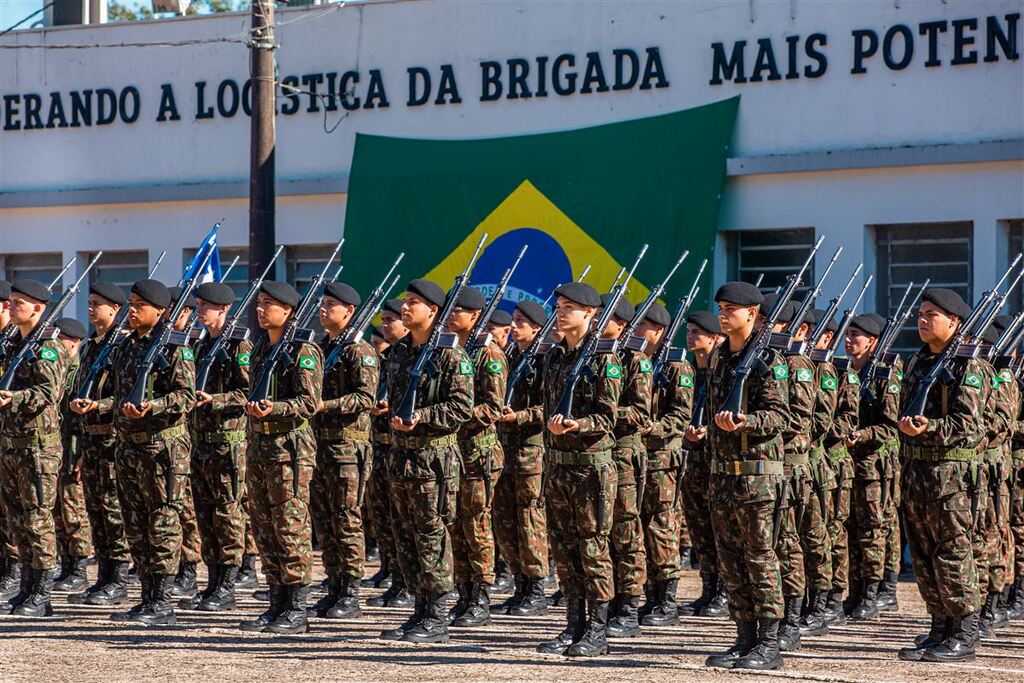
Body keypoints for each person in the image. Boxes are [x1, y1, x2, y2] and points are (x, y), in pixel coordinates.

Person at [689, 282, 788, 671]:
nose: (724, 313)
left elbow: (783, 417)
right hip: (722, 478)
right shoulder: (719, 358)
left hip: (757, 479)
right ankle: (744, 637)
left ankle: (768, 642)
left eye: (732, 308)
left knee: (761, 560)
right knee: (731, 561)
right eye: (721, 307)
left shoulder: (770, 359)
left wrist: (746, 422)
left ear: (752, 314)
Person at [376, 279, 474, 644]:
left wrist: (422, 415)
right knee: (405, 535)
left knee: (432, 534)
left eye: (414, 302)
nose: (405, 307)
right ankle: (418, 610)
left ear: (433, 311)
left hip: (434, 457)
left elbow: (461, 407)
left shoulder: (451, 355)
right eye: (405, 300)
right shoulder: (398, 351)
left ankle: (436, 616)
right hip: (401, 454)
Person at [896, 288, 987, 662]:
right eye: (920, 313)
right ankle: (939, 627)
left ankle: (964, 630)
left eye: (931, 314)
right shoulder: (917, 362)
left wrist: (928, 428)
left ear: (954, 321)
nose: (922, 319)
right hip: (917, 472)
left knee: (952, 553)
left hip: (951, 477)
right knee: (924, 554)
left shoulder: (970, 366)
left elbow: (970, 425)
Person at [537, 282, 621, 657]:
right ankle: (573, 625)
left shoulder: (605, 358)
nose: (561, 312)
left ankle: (598, 630)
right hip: (559, 468)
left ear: (590, 314)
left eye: (569, 307)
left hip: (591, 471)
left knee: (593, 549)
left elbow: (608, 417)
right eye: (559, 306)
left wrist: (576, 426)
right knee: (565, 549)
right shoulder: (555, 357)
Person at [239, 281, 322, 635]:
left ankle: (296, 609)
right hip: (260, 447)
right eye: (259, 303)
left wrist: (274, 409)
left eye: (269, 304)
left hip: (290, 450)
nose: (261, 310)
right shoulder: (260, 347)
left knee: (290, 527)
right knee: (264, 526)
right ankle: (276, 602)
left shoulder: (303, 350)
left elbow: (307, 403)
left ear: (288, 312)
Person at [0, 280, 72, 617]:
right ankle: (26, 586)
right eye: (11, 302)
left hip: (38, 448)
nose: (12, 307)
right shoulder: (13, 343)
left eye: (19, 303)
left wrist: (14, 398)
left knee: (38, 519)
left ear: (38, 309)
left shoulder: (48, 347)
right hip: (12, 445)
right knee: (17, 520)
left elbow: (48, 394)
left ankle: (42, 595)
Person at [180, 282, 252, 612]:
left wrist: (216, 400)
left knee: (228, 513)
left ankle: (227, 584)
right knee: (206, 515)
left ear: (223, 309)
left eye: (205, 306)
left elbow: (250, 392)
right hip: (202, 444)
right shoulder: (199, 344)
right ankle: (212, 582)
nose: (199, 311)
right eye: (198, 305)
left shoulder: (239, 345)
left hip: (229, 445)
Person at [310, 282, 378, 619]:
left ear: (349, 312)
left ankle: (350, 592)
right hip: (320, 444)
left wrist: (326, 405)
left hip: (348, 446)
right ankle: (333, 584)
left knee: (346, 518)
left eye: (331, 304)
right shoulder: (321, 347)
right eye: (322, 303)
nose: (324, 309)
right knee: (324, 519)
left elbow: (364, 398)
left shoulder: (359, 350)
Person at [68, 282, 134, 607]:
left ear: (114, 309)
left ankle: (118, 580)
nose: (91, 308)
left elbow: (125, 394)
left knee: (112, 510)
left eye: (97, 304)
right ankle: (103, 577)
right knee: (95, 510)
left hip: (111, 438)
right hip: (90, 438)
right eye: (90, 303)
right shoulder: (91, 347)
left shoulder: (122, 347)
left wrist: (98, 407)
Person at [444, 287, 507, 628]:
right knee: (455, 523)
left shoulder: (489, 355)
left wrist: (453, 415)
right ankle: (464, 591)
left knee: (476, 523)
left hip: (479, 451)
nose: (452, 314)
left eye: (459, 310)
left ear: (475, 316)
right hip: (454, 449)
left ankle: (481, 597)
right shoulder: (452, 350)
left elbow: (492, 408)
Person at [595, 293, 650, 639]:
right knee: (599, 531)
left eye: (605, 316)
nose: (598, 321)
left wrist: (602, 414)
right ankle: (608, 599)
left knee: (626, 532)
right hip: (597, 456)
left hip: (624, 456)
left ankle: (629, 606)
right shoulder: (593, 356)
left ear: (622, 325)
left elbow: (641, 413)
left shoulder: (635, 360)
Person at [637, 303, 693, 627]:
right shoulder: (639, 363)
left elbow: (680, 415)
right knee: (641, 528)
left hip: (662, 458)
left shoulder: (676, 367)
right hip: (639, 457)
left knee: (662, 527)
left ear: (658, 330)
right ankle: (650, 596)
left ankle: (667, 601)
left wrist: (653, 428)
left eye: (642, 324)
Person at [493, 300, 550, 616]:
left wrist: (520, 416)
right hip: (505, 451)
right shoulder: (509, 356)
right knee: (505, 521)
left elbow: (551, 406)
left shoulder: (545, 360)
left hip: (531, 452)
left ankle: (537, 588)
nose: (513, 326)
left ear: (536, 328)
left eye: (520, 321)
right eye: (513, 320)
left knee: (530, 520)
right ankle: (520, 585)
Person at [363, 300, 412, 606]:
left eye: (392, 319)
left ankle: (408, 583)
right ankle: (393, 573)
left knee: (408, 520)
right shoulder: (390, 356)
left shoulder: (411, 355)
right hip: (382, 445)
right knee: (385, 517)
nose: (386, 325)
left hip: (404, 446)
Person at [679, 311, 727, 618]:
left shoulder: (722, 371)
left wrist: (709, 430)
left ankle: (723, 590)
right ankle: (708, 589)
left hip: (716, 459)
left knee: (719, 528)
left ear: (714, 337)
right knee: (699, 528)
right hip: (692, 459)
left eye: (698, 332)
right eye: (689, 330)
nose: (691, 336)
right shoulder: (690, 371)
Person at [52, 317, 94, 593]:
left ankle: (79, 567)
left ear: (75, 343)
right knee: (57, 511)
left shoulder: (81, 372)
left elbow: (81, 421)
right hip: (58, 447)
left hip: (74, 447)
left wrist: (81, 454)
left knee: (73, 511)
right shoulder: (60, 369)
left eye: (62, 342)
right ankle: (65, 563)